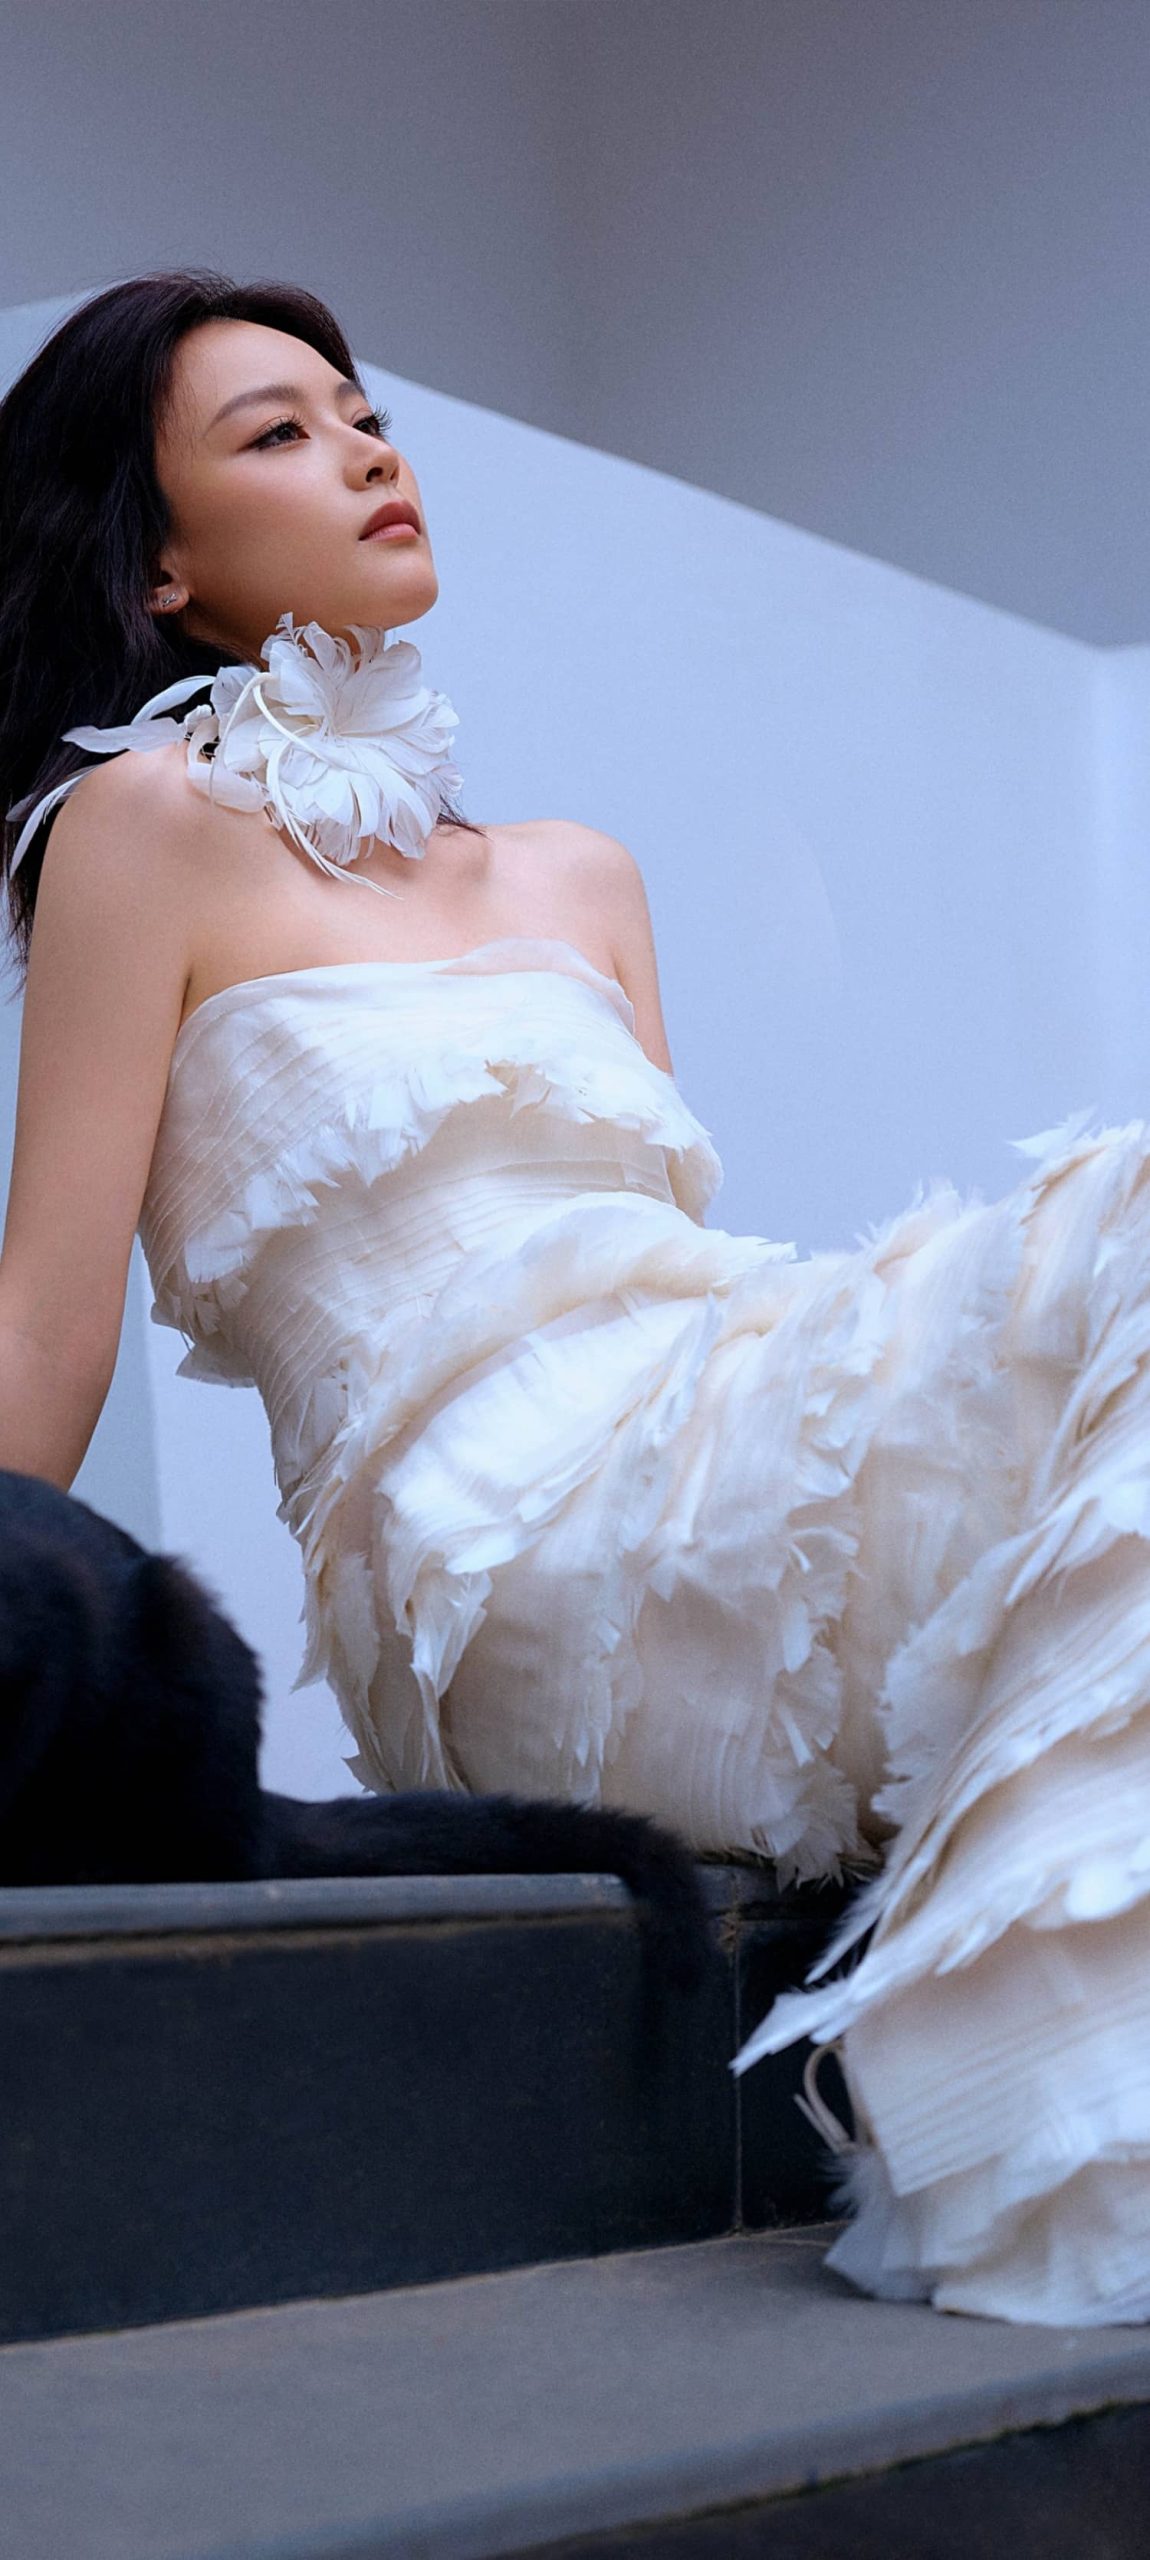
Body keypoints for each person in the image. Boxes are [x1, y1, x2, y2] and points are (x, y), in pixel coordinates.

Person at [2, 269, 1150, 2330]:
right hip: (497, 1558)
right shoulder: (137, 829)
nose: (365, 449)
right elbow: (43, 1331)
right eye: (277, 431)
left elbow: (696, 1302)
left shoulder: (576, 871)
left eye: (363, 412)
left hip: (704, 1431)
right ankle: (1010, 2107)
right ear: (157, 566)